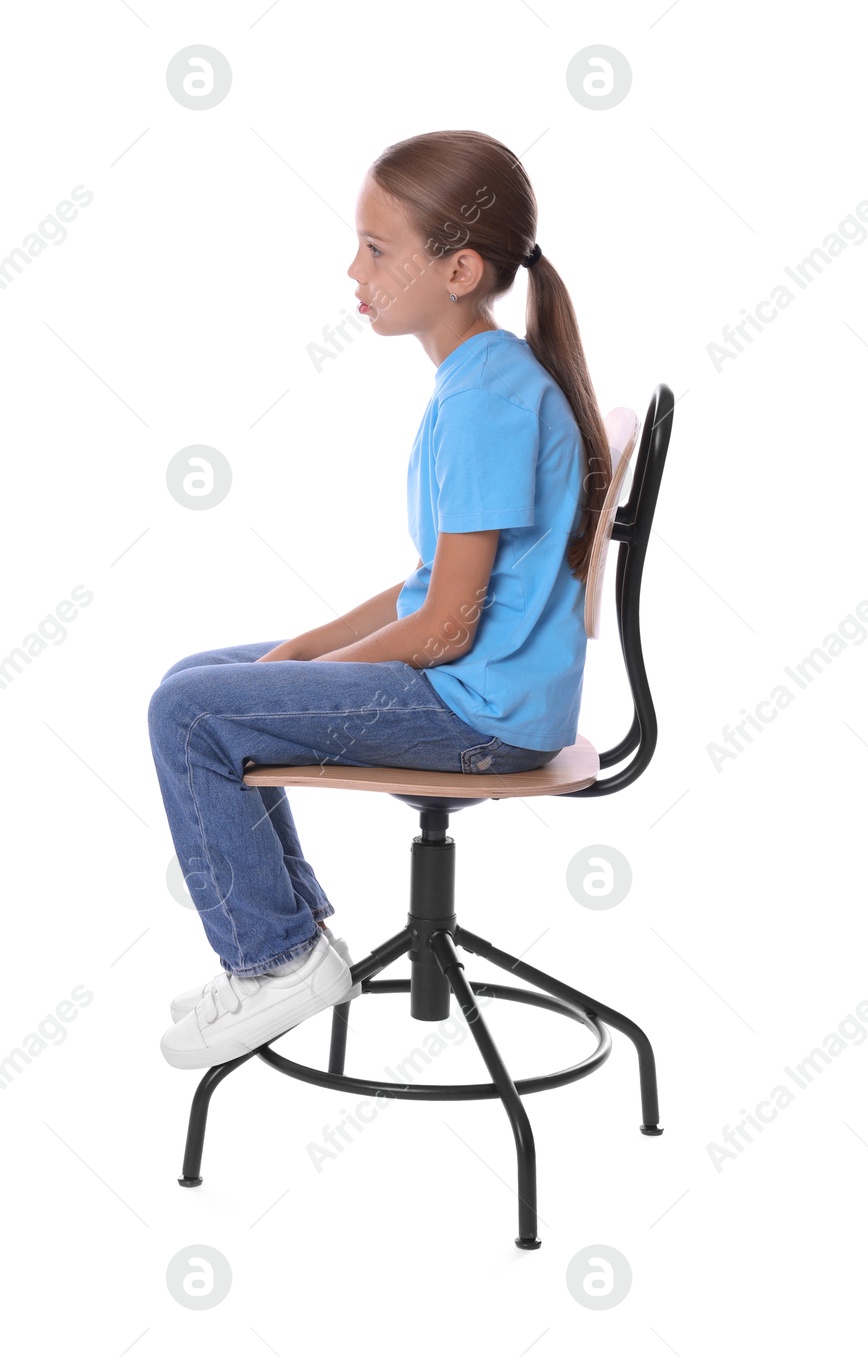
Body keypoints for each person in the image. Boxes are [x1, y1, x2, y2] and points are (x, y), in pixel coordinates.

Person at [148, 130, 612, 1071]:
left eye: (376, 248)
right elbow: (427, 587)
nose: (351, 269)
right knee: (207, 680)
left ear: (459, 269)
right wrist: (303, 649)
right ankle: (290, 943)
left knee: (189, 712)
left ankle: (275, 959)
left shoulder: (486, 398)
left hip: (480, 713)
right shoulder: (480, 378)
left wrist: (305, 673)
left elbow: (445, 627)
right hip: (483, 692)